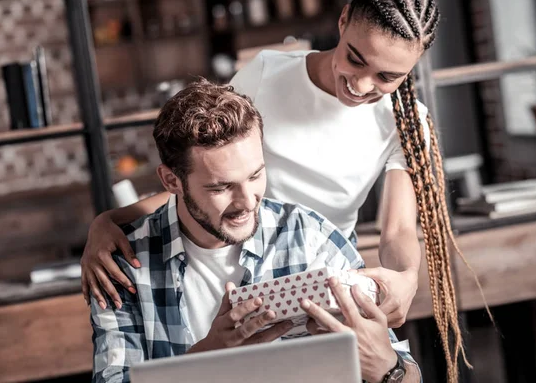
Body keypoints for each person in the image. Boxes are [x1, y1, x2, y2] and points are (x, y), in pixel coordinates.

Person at [83, 0, 466, 380]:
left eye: (388, 77)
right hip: (231, 248)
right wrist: (110, 221)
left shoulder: (405, 121)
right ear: (343, 21)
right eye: (355, 59)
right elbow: (207, 166)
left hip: (320, 266)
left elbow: (400, 229)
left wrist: (405, 279)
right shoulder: (267, 75)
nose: (363, 85)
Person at [90, 79, 421, 383]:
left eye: (255, 175)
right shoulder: (124, 267)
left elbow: (408, 376)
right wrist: (208, 357)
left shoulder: (310, 237)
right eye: (221, 188)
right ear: (171, 181)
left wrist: (386, 368)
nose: (247, 202)